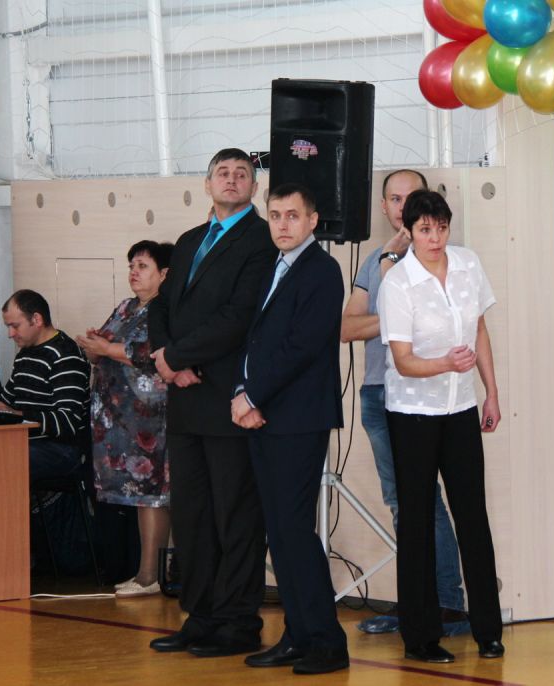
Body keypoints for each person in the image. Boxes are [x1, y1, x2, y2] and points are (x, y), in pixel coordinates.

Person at [147, 148, 276, 657]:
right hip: (185, 399)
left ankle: (237, 622)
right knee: (193, 516)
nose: (232, 179)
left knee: (235, 516)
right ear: (207, 184)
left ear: (254, 188)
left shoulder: (261, 240)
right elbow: (161, 305)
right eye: (223, 173)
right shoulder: (189, 241)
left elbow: (239, 316)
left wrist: (178, 356)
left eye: (242, 174)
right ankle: (198, 617)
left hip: (228, 399)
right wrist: (166, 359)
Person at [377, 190, 505, 664]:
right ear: (409, 231)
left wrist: (490, 392)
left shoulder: (468, 264)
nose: (435, 238)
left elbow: (480, 331)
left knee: (473, 515)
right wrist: (446, 364)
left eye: (441, 228)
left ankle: (487, 629)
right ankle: (420, 636)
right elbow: (403, 362)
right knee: (417, 521)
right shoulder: (398, 282)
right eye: (425, 229)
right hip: (412, 413)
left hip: (460, 408)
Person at [341, 170, 469, 634]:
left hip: (429, 397)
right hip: (379, 393)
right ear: (384, 207)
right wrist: (394, 310)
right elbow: (346, 328)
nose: (402, 206)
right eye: (394, 199)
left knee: (429, 500)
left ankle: (448, 603)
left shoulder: (445, 260)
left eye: (411, 197)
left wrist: (394, 310)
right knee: (401, 502)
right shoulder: (376, 261)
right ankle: (417, 600)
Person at [231, 183, 348, 675]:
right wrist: (242, 390)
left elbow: (302, 346)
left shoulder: (322, 270)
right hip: (266, 414)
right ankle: (298, 634)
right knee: (279, 532)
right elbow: (254, 339)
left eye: (292, 215)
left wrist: (254, 396)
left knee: (295, 531)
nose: (282, 224)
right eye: (275, 215)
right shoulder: (273, 265)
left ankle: (326, 641)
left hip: (298, 418)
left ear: (312, 220)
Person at [76, 240, 174, 598]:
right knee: (136, 494)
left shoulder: (167, 308)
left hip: (148, 418)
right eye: (132, 265)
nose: (134, 271)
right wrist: (95, 346)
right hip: (117, 419)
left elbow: (152, 354)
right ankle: (143, 572)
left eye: (143, 266)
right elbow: (107, 346)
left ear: (164, 274)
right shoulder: (125, 307)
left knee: (152, 495)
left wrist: (107, 349)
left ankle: (150, 575)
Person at [0, 290, 90, 483]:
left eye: (15, 326)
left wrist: (17, 414)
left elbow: (67, 423)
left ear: (36, 319)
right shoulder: (25, 354)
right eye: (8, 327)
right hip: (27, 443)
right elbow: (6, 404)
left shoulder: (66, 355)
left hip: (61, 449)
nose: (10, 334)